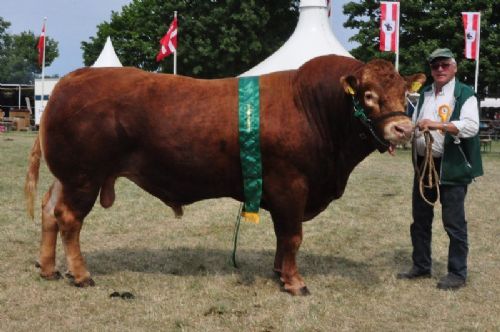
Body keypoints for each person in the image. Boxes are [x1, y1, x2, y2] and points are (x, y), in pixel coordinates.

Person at [397, 48, 483, 290]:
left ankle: (457, 273)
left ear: (454, 68)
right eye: (435, 66)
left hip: (452, 166)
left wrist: (437, 125)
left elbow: (470, 127)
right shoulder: (424, 94)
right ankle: (421, 265)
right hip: (425, 165)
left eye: (445, 65)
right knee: (420, 219)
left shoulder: (464, 93)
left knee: (453, 222)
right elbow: (415, 125)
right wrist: (399, 136)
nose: (440, 69)